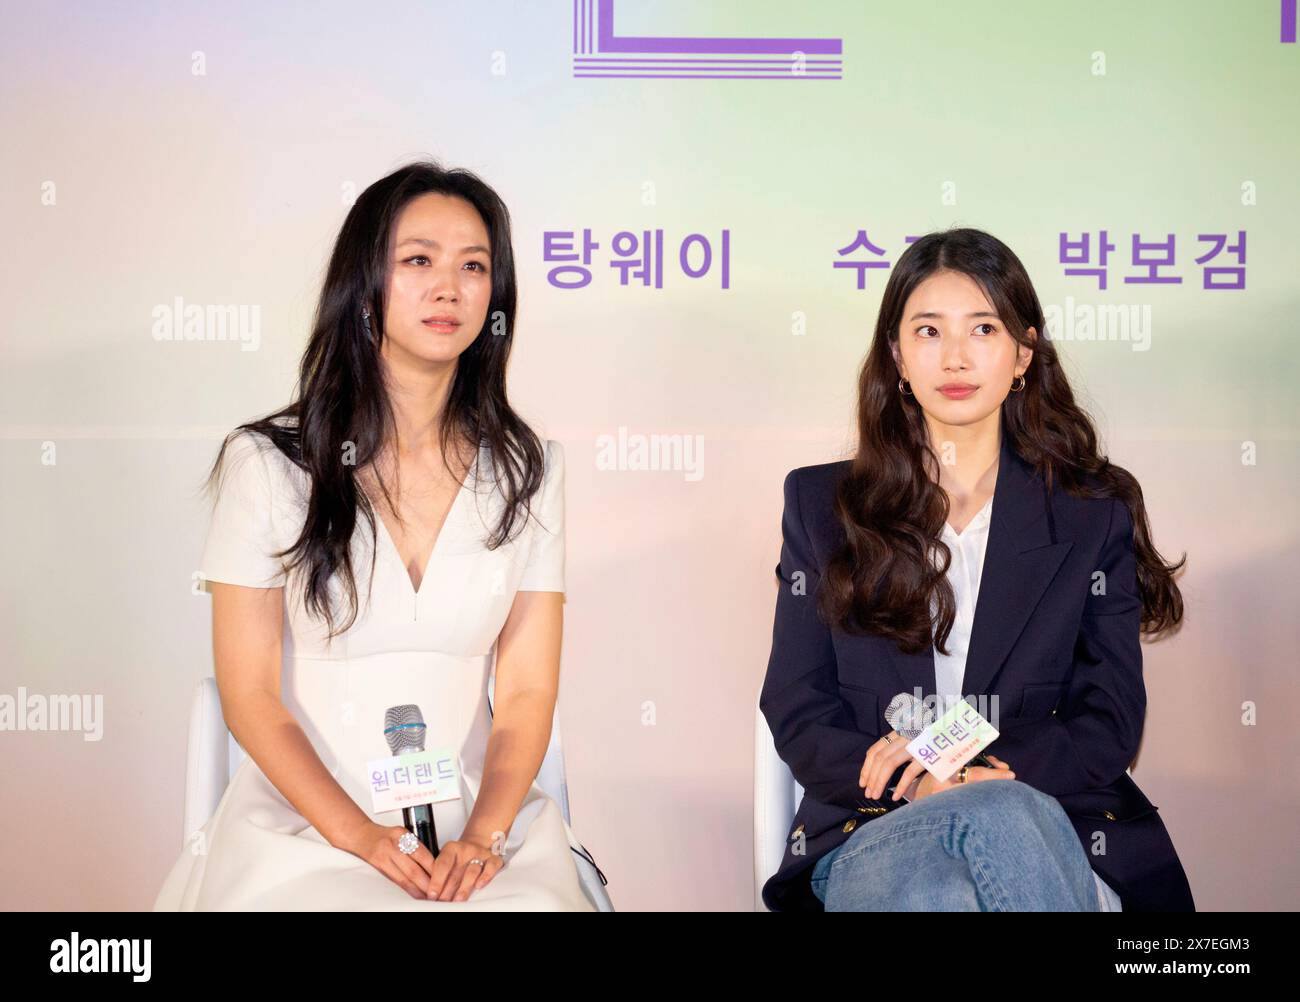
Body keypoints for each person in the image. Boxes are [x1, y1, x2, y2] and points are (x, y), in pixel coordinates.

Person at [154, 160, 596, 911]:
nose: (449, 287)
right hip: (310, 826)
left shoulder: (529, 470)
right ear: (365, 285)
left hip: (477, 833)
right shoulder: (267, 463)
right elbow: (251, 695)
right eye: (418, 260)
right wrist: (361, 837)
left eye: (474, 266)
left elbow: (525, 693)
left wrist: (484, 838)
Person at [760, 227, 1195, 912]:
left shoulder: (1090, 511)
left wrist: (965, 766)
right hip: (875, 827)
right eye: (929, 331)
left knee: (979, 846)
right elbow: (798, 705)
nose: (955, 357)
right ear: (897, 355)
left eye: (983, 329)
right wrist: (917, 783)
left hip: (1048, 816)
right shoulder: (822, 507)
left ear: (1023, 352)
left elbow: (1109, 719)